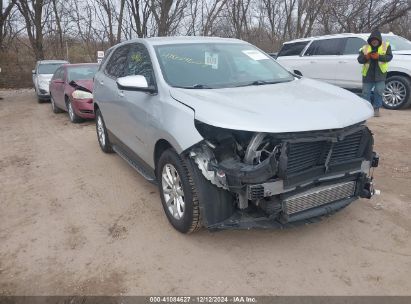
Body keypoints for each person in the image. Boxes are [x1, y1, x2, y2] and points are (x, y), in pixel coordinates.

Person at [357, 29, 393, 117]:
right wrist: (366, 57)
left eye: (376, 40)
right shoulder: (365, 48)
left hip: (380, 75)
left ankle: (376, 109)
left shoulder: (386, 46)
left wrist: (379, 57)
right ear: (370, 40)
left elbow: (389, 57)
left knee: (379, 91)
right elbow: (359, 60)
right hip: (368, 75)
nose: (374, 41)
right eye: (372, 40)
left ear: (379, 40)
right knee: (365, 93)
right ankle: (366, 109)